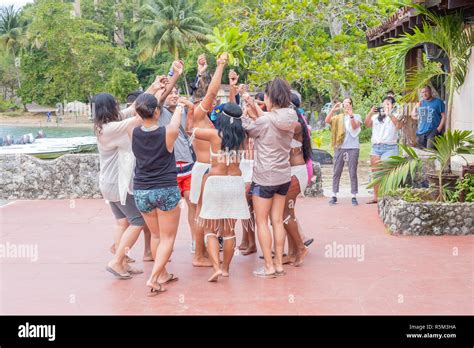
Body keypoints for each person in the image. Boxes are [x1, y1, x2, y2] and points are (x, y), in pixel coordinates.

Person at [97, 60, 183, 280]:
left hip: (108, 184)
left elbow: (136, 111)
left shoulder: (103, 125)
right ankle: (117, 260)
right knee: (137, 221)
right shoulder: (115, 128)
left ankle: (122, 260)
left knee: (121, 222)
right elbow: (138, 114)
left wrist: (154, 87)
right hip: (120, 184)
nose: (119, 107)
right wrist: (164, 93)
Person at [242, 77, 299, 278]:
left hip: (264, 177)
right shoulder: (292, 117)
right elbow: (270, 120)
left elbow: (249, 130)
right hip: (283, 175)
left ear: (269, 97)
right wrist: (253, 106)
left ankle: (268, 266)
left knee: (261, 222)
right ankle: (279, 264)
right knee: (277, 220)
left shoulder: (265, 120)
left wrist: (245, 113)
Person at [190, 102, 250, 282]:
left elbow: (193, 128)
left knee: (210, 229)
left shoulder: (213, 135)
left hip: (215, 183)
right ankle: (225, 268)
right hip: (235, 183)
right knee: (229, 230)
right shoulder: (243, 137)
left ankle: (215, 267)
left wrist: (200, 110)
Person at [131, 93, 182, 296]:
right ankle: (153, 278)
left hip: (142, 191)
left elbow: (139, 115)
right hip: (165, 190)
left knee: (157, 235)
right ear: (158, 112)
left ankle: (161, 274)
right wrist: (179, 107)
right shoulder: (167, 133)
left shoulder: (132, 131)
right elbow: (176, 122)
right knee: (168, 238)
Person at [188, 53, 229, 267]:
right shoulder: (197, 113)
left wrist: (202, 72)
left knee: (200, 211)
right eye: (209, 101)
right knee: (201, 212)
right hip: (204, 169)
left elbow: (209, 91)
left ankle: (200, 252)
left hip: (204, 168)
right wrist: (220, 65)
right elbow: (211, 91)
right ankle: (198, 256)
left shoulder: (199, 116)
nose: (213, 103)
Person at [283, 93, 313, 266]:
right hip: (291, 171)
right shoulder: (295, 123)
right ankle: (292, 252)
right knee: (289, 213)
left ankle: (300, 247)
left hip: (295, 172)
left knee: (284, 214)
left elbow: (275, 125)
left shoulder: (295, 126)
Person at [365, 96, 402, 204]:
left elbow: (399, 126)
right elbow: (367, 124)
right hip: (376, 147)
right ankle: (376, 197)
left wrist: (389, 113)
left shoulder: (396, 115)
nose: (385, 105)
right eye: (384, 103)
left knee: (386, 172)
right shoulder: (376, 116)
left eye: (388, 103)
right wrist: (370, 112)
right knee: (376, 173)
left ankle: (386, 197)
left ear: (393, 105)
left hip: (390, 147)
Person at [325, 97, 362, 206]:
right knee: (336, 171)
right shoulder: (338, 118)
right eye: (344, 103)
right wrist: (332, 110)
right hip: (339, 147)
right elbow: (327, 121)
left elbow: (355, 127)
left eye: (348, 103)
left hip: (353, 147)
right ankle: (334, 195)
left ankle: (354, 196)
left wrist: (351, 115)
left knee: (352, 172)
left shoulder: (357, 116)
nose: (346, 105)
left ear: (352, 105)